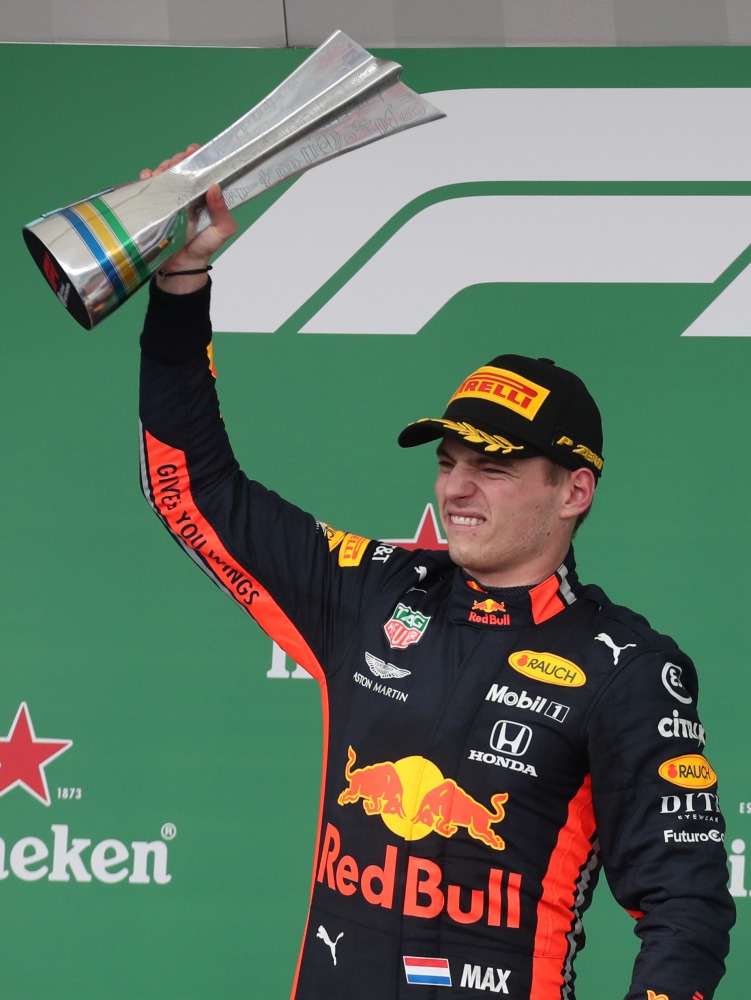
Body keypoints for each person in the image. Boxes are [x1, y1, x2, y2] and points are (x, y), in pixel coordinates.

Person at [137, 150, 734, 1000]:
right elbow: (194, 490)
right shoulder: (369, 590)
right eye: (448, 462)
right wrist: (182, 287)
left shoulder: (628, 669)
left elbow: (685, 905)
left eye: (490, 468)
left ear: (573, 490)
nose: (454, 487)